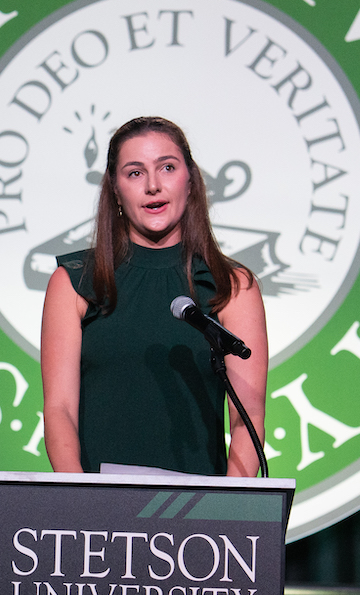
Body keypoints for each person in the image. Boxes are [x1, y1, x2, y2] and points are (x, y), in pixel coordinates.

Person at [39, 115, 268, 477]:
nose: (153, 186)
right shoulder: (74, 283)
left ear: (190, 180)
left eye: (167, 167)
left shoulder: (232, 286)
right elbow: (59, 410)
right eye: (134, 173)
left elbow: (247, 419)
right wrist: (81, 502)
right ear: (115, 189)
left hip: (200, 517)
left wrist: (224, 514)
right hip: (99, 514)